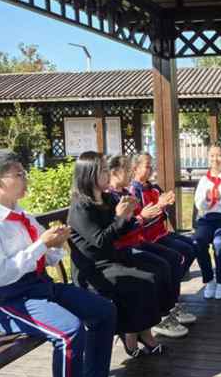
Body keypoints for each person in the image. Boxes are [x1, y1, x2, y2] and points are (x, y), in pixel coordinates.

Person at [0, 151, 124, 377]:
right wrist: (41, 245)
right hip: (6, 300)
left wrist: (55, 244)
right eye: (19, 174)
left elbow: (48, 259)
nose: (26, 179)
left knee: (104, 310)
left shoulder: (23, 216)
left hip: (38, 286)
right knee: (69, 331)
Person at [68, 152, 183, 363]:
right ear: (89, 175)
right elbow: (100, 241)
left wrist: (130, 216)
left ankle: (142, 330)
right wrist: (121, 217)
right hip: (93, 269)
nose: (108, 174)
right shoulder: (80, 207)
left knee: (156, 270)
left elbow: (122, 229)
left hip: (112, 258)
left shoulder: (106, 198)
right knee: (142, 281)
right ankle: (133, 333)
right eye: (104, 170)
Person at [108, 154, 194, 344]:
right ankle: (162, 315)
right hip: (128, 246)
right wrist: (146, 214)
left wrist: (162, 206)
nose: (131, 173)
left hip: (138, 241)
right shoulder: (117, 195)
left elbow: (142, 220)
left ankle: (169, 306)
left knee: (179, 255)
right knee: (164, 265)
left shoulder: (129, 192)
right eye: (128, 170)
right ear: (114, 172)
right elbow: (125, 227)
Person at [129, 152, 198, 320]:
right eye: (147, 166)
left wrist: (166, 202)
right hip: (147, 238)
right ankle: (169, 300)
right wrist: (160, 206)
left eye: (152, 166)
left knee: (192, 247)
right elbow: (140, 224)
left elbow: (161, 210)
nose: (151, 169)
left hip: (161, 233)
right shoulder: (133, 191)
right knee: (176, 256)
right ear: (135, 168)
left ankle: (171, 291)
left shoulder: (152, 187)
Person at [192, 144, 221, 300]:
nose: (215, 159)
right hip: (207, 219)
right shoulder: (204, 180)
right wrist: (207, 199)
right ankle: (209, 280)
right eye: (212, 156)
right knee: (198, 241)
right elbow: (199, 205)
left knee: (219, 243)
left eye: (219, 155)